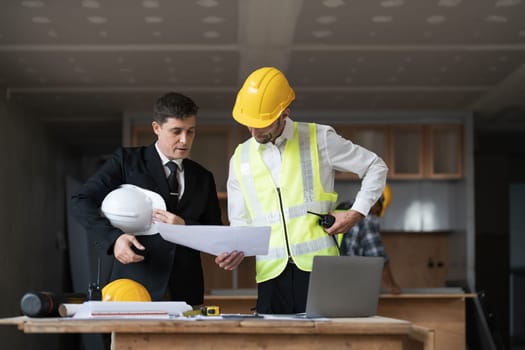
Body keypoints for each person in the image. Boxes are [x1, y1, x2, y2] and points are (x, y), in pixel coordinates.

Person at [215, 67, 388, 314]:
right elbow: (240, 223)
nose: (254, 132)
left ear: (284, 113)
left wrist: (356, 212)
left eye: (262, 124)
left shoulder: (319, 138)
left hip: (321, 271)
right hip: (270, 276)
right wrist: (235, 251)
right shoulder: (240, 158)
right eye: (248, 125)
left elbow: (375, 166)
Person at [70, 92, 222, 306]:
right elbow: (80, 201)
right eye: (176, 131)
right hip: (131, 288)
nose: (184, 140)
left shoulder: (203, 177)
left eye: (191, 132)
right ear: (156, 128)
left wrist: (185, 226)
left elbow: (215, 231)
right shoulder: (126, 161)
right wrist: (114, 239)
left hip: (187, 292)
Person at [337, 184, 401, 294]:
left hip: (331, 279)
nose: (376, 213)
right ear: (376, 200)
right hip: (351, 285)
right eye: (379, 209)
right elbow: (378, 257)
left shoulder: (340, 208)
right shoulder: (367, 219)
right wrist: (392, 286)